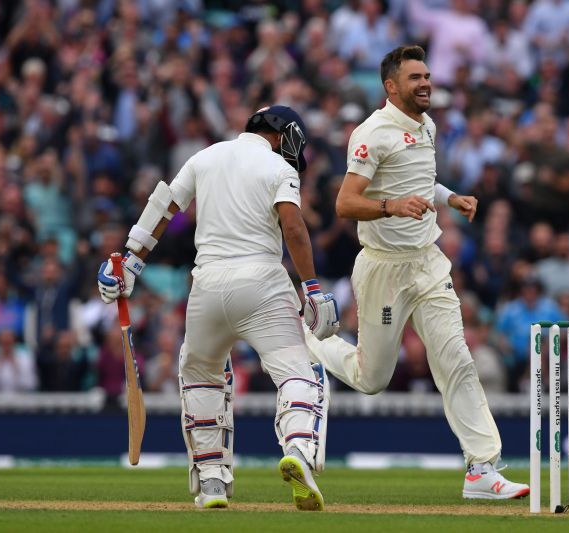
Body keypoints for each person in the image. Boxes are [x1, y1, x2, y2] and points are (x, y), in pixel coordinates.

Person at [304, 45, 529, 500]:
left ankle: (482, 469)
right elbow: (345, 204)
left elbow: (420, 183)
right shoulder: (372, 133)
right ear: (391, 87)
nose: (426, 83)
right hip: (383, 270)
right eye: (415, 78)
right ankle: (306, 342)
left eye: (426, 75)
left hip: (428, 262)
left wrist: (450, 198)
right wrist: (390, 207)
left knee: (457, 360)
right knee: (373, 380)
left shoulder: (426, 124)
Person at [96, 106, 340, 511]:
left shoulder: (205, 156)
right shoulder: (280, 168)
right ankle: (297, 448)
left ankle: (211, 482)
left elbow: (165, 207)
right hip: (262, 281)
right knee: (299, 371)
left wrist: (131, 261)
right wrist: (312, 288)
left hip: (206, 285)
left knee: (200, 376)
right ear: (283, 133)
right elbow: (293, 227)